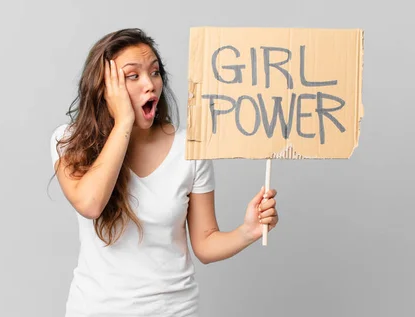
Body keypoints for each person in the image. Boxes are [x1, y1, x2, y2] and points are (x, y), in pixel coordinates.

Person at [50, 28, 279, 317]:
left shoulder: (190, 149)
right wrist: (123, 122)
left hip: (174, 311)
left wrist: (248, 231)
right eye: (133, 76)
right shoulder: (69, 141)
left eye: (155, 72)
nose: (150, 84)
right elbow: (91, 203)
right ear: (104, 88)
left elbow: (206, 243)